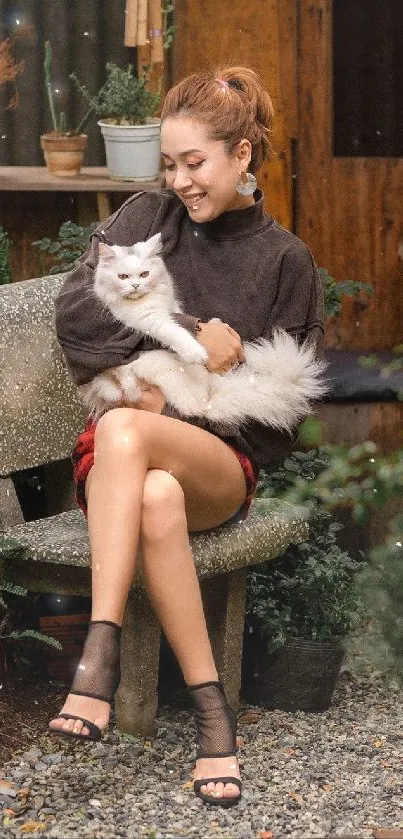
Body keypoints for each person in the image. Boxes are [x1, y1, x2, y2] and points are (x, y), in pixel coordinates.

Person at [51, 66, 324, 807]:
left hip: (218, 465)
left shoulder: (283, 261)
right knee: (154, 492)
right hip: (123, 467)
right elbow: (76, 317)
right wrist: (193, 341)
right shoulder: (146, 217)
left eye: (194, 162)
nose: (180, 181)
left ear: (241, 155)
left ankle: (97, 652)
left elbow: (281, 413)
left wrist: (188, 403)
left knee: (133, 432)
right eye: (169, 164)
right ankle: (214, 718)